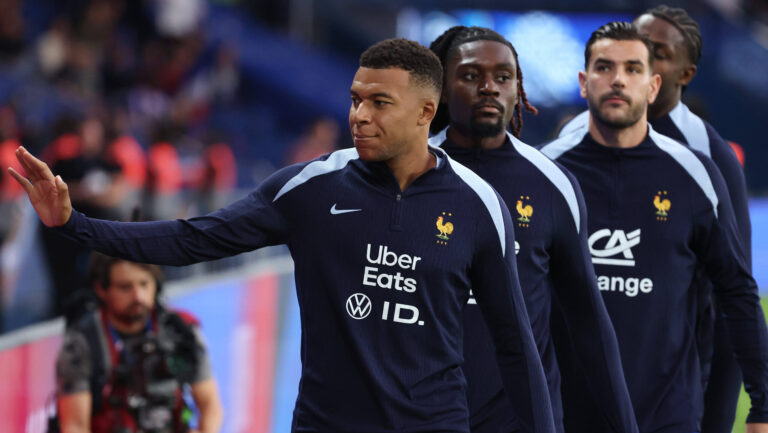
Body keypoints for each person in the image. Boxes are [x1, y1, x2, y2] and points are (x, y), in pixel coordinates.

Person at [11, 38, 555, 433]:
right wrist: (74, 224)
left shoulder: (480, 205)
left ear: (425, 113)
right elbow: (189, 239)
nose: (358, 116)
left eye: (379, 103)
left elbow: (515, 343)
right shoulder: (311, 188)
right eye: (355, 98)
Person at [539, 22, 768, 433]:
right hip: (565, 416)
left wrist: (762, 405)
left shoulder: (696, 175)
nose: (618, 80)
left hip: (667, 417)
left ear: (653, 85)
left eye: (633, 69)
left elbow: (736, 292)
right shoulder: (545, 173)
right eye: (604, 67)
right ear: (582, 82)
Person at [427, 26, 637, 433]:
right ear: (440, 87)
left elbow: (589, 323)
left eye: (504, 77)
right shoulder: (408, 173)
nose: (490, 88)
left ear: (518, 89)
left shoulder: (552, 184)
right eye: (471, 75)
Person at [55, 253, 223, 433]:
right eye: (125, 287)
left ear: (156, 285)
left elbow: (210, 406)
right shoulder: (82, 343)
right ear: (101, 289)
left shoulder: (181, 331)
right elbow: (75, 426)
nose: (138, 296)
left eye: (144, 284)